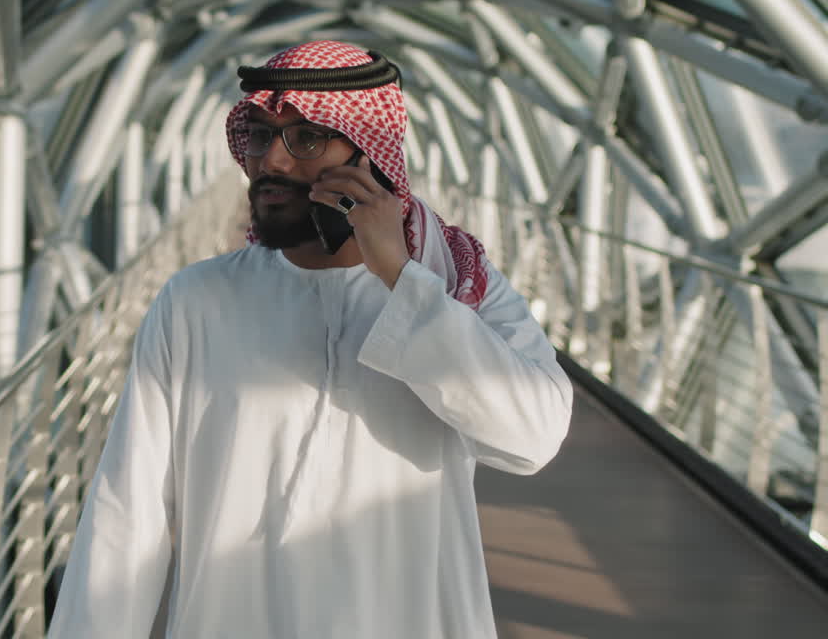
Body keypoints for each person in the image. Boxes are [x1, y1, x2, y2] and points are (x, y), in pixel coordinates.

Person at [47, 41, 573, 638]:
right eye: (260, 136)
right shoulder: (196, 301)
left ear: (370, 157)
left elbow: (535, 438)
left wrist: (402, 281)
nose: (272, 161)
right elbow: (126, 518)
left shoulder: (453, 287)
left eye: (305, 139)